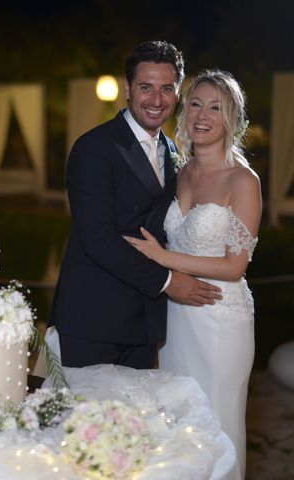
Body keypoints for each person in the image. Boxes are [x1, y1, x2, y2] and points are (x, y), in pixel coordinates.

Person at [47, 41, 222, 370]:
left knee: (138, 422)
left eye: (166, 88)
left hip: (145, 323)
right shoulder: (94, 148)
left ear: (177, 92)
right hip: (94, 319)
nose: (156, 100)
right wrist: (169, 282)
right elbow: (98, 238)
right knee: (90, 421)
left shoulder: (174, 151)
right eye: (146, 87)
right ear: (127, 89)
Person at [124, 69, 261, 478]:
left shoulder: (243, 180)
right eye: (195, 104)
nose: (202, 115)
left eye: (215, 107)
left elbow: (235, 266)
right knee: (178, 423)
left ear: (231, 118)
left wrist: (163, 259)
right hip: (176, 316)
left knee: (217, 423)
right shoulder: (178, 171)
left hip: (220, 318)